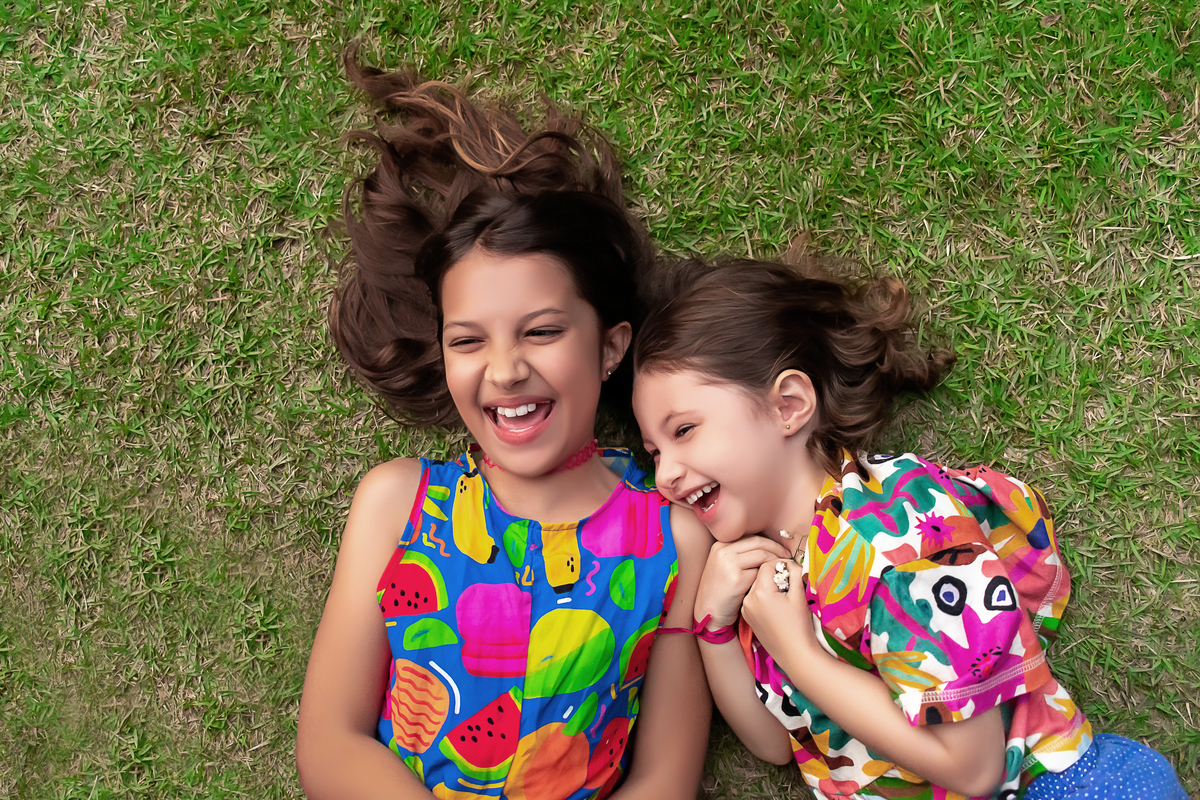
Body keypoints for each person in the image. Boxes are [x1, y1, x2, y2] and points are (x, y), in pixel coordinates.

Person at [295, 48, 712, 800]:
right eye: (468, 340)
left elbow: (666, 781)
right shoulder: (396, 503)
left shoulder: (675, 541)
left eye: (543, 331)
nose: (505, 368)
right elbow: (329, 742)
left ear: (611, 346)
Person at [630, 258, 1189, 800]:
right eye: (653, 451)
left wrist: (798, 653)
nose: (666, 474)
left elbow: (974, 767)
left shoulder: (899, 525)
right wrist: (715, 625)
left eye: (684, 430)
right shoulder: (765, 572)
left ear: (789, 406)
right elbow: (778, 743)